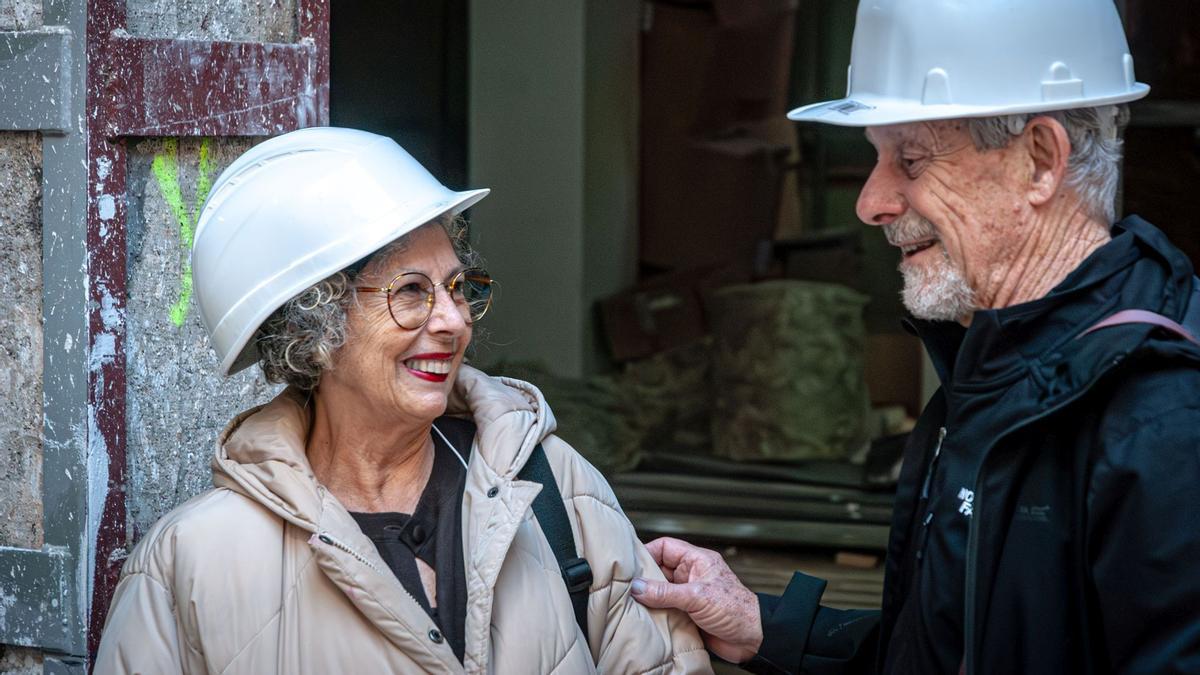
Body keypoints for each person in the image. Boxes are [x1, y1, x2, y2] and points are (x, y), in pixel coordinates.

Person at [630, 1, 1200, 674]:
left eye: (911, 158)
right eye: (877, 159)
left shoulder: (1165, 423)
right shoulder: (995, 370)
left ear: (1040, 161)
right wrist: (768, 626)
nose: (870, 201)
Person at [94, 127, 712, 674]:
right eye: (411, 292)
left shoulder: (552, 485)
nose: (453, 320)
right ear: (316, 327)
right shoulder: (192, 564)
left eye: (456, 287)